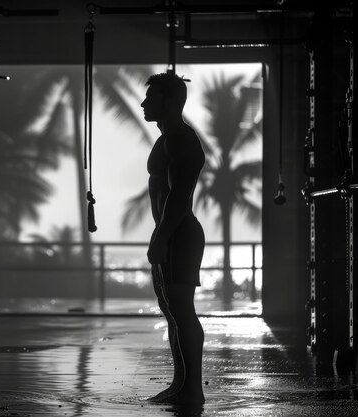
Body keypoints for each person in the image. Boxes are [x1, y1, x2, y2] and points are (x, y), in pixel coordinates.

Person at [141, 71, 206, 405]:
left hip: (180, 233)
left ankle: (193, 388)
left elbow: (179, 197)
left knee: (182, 311)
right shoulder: (166, 138)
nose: (143, 103)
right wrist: (159, 235)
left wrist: (162, 237)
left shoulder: (181, 139)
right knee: (172, 312)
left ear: (169, 100)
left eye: (150, 98)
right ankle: (180, 383)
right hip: (170, 233)